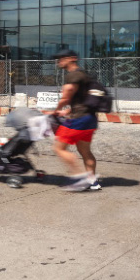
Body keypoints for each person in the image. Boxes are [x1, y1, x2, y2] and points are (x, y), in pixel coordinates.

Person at [49, 48, 101, 192]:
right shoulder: (84, 75)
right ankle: (93, 181)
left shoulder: (73, 76)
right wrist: (67, 110)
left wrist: (55, 110)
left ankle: (80, 178)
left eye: (61, 58)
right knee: (85, 152)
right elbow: (83, 99)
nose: (59, 61)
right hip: (90, 118)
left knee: (59, 148)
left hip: (78, 119)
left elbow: (66, 97)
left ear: (72, 58)